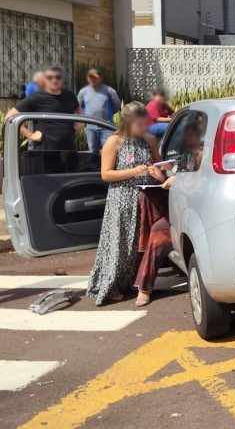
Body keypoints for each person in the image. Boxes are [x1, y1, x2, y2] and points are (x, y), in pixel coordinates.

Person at [86, 102, 162, 305]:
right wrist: (135, 171)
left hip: (146, 200)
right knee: (120, 246)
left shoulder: (150, 140)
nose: (143, 128)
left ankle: (131, 283)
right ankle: (111, 285)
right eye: (139, 124)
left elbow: (158, 164)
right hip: (122, 201)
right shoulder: (114, 141)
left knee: (139, 246)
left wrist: (158, 172)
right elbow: (106, 174)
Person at [133, 122, 202, 306]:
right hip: (177, 212)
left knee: (157, 234)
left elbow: (202, 184)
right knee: (155, 224)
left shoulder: (206, 155)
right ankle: (144, 288)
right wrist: (162, 178)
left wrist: (177, 179)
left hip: (196, 215)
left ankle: (144, 288)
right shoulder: (186, 155)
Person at [7, 65, 83, 162]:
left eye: (58, 77)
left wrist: (80, 125)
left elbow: (80, 112)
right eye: (50, 77)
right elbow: (9, 117)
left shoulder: (70, 96)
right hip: (45, 153)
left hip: (68, 152)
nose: (54, 80)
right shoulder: (36, 97)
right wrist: (30, 135)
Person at [78, 68, 121, 155]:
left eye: (95, 78)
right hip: (90, 127)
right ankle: (94, 167)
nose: (92, 80)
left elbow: (117, 105)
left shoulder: (109, 91)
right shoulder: (83, 92)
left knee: (108, 150)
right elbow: (78, 107)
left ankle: (106, 168)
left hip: (106, 126)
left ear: (100, 78)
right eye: (90, 77)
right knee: (93, 151)